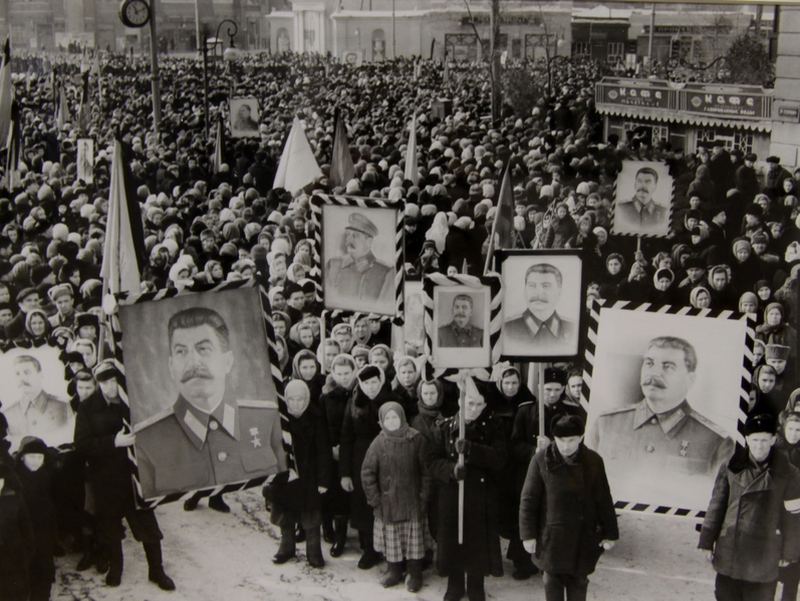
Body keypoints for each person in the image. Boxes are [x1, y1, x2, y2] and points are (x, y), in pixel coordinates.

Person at [134, 306, 286, 498]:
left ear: (227, 361)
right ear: (171, 367)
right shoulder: (146, 441)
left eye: (204, 349)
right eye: (181, 352)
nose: (193, 362)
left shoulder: (268, 419)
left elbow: (285, 486)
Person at [586, 336, 735, 500]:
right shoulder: (605, 423)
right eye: (649, 363)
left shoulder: (717, 442)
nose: (654, 373)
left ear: (690, 380)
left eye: (668, 367)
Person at [73, 360, 175, 590]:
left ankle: (156, 570)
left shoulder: (135, 402)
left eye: (114, 381)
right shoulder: (88, 407)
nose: (110, 387)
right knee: (109, 526)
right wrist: (114, 442)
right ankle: (116, 568)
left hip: (135, 476)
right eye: (104, 383)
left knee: (146, 523)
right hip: (106, 477)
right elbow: (81, 444)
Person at [698, 413, 800, 601]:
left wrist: (789, 552)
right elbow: (717, 506)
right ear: (746, 439)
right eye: (755, 440)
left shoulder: (789, 473)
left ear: (773, 440)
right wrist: (706, 541)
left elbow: (793, 518)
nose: (759, 446)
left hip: (764, 554)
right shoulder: (731, 465)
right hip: (731, 549)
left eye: (764, 440)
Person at [519, 415, 619, 601]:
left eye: (571, 440)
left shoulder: (593, 460)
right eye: (561, 440)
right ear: (554, 438)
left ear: (581, 438)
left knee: (579, 582)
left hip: (582, 536)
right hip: (552, 537)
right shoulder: (541, 460)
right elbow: (528, 499)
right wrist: (528, 535)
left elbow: (603, 499)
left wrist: (610, 533)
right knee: (552, 581)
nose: (566, 446)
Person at [427, 376, 507, 601]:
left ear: (485, 405)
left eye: (479, 404)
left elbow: (500, 458)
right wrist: (451, 470)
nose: (474, 408)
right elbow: (431, 461)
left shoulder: (493, 427)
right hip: (452, 493)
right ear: (461, 402)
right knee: (453, 538)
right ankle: (454, 584)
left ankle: (475, 584)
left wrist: (473, 449)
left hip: (481, 495)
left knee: (476, 541)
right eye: (470, 403)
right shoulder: (444, 427)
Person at [361, 402, 430, 592]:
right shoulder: (378, 443)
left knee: (414, 541)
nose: (392, 421)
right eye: (387, 418)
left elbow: (427, 472)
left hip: (412, 501)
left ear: (402, 417)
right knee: (392, 541)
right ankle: (394, 571)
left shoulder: (416, 439)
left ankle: (414, 573)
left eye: (395, 417)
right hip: (388, 503)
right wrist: (375, 500)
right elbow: (367, 473)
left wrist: (423, 496)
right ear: (381, 421)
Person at [267, 379, 332, 569]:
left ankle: (314, 552)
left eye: (299, 399)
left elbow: (323, 451)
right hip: (286, 475)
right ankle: (286, 547)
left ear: (306, 399)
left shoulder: (316, 418)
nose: (295, 404)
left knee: (311, 517)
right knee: (285, 514)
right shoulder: (281, 419)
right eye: (291, 399)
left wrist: (323, 481)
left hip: (309, 476)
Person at [503, 263, 577, 356]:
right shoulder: (507, 329)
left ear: (559, 293)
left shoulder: (573, 328)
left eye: (546, 286)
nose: (539, 292)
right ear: (525, 291)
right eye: (532, 285)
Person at [3, 354, 74, 451]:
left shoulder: (62, 406)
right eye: (17, 374)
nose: (22, 378)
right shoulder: (7, 413)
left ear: (40, 376)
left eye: (27, 372)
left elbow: (71, 440)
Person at [325, 212, 393, 308]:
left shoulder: (386, 272)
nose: (349, 239)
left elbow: (384, 308)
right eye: (348, 234)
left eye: (355, 236)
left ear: (369, 242)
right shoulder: (333, 264)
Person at [615, 166, 669, 235]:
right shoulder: (621, 209)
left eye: (648, 182)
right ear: (635, 185)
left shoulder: (663, 212)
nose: (643, 185)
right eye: (639, 181)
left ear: (655, 187)